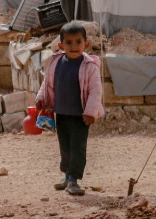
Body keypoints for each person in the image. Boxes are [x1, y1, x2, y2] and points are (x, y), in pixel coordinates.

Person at [35, 21, 105, 196]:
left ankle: (74, 179)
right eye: (69, 42)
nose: (74, 46)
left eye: (78, 42)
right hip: (61, 113)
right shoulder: (56, 62)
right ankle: (66, 176)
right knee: (64, 145)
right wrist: (41, 98)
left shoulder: (89, 66)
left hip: (80, 116)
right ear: (61, 45)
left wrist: (90, 112)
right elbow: (48, 82)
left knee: (77, 147)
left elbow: (96, 91)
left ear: (86, 44)